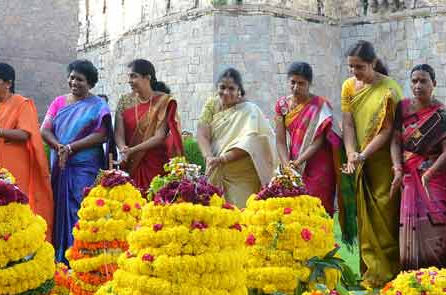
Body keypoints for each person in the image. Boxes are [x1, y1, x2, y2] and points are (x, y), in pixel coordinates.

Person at [340, 41, 403, 288]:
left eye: (360, 67)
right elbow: (347, 124)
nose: (355, 72)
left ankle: (389, 271)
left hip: (382, 160)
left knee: (384, 215)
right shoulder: (348, 87)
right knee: (365, 216)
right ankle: (371, 272)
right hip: (358, 158)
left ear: (373, 63)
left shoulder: (389, 90)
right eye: (351, 67)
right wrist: (350, 153)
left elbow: (387, 131)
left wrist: (363, 155)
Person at [41, 60, 112, 262]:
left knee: (80, 208)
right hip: (61, 164)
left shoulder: (98, 105)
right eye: (71, 77)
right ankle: (59, 256)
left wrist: (71, 148)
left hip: (85, 167)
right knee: (57, 207)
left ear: (90, 83)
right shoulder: (58, 102)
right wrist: (59, 147)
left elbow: (102, 135)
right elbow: (44, 130)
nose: (74, 82)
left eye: (79, 79)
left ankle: (81, 256)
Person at [0, 62, 54, 238]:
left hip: (13, 167)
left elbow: (26, 134)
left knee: (11, 207)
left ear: (8, 83)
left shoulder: (22, 103)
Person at [395, 64, 446, 270]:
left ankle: (441, 274)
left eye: (423, 81)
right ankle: (413, 272)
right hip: (408, 176)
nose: (418, 85)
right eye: (414, 81)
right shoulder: (402, 108)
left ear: (434, 84)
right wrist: (397, 167)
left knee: (436, 223)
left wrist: (429, 173)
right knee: (413, 223)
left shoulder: (444, 114)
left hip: (436, 177)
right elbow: (395, 141)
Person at [197, 67, 277, 207]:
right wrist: (209, 156)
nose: (226, 92)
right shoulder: (211, 104)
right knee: (216, 215)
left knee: (241, 215)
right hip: (216, 167)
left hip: (241, 174)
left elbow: (250, 142)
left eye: (231, 88)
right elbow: (202, 134)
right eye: (222, 87)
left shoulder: (249, 110)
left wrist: (222, 159)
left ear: (239, 90)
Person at [274, 62, 342, 218]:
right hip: (293, 163)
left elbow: (318, 141)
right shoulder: (282, 106)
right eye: (292, 82)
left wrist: (298, 162)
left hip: (319, 165)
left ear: (309, 84)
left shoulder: (320, 105)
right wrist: (287, 165)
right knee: (294, 210)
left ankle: (324, 241)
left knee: (318, 209)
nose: (296, 87)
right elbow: (280, 141)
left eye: (301, 83)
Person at [113, 59, 183, 193]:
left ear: (147, 78)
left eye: (133, 76)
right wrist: (123, 149)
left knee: (154, 205)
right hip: (130, 163)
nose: (129, 80)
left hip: (155, 165)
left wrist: (132, 150)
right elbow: (118, 133)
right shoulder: (124, 101)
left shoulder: (163, 101)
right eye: (129, 76)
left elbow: (160, 136)